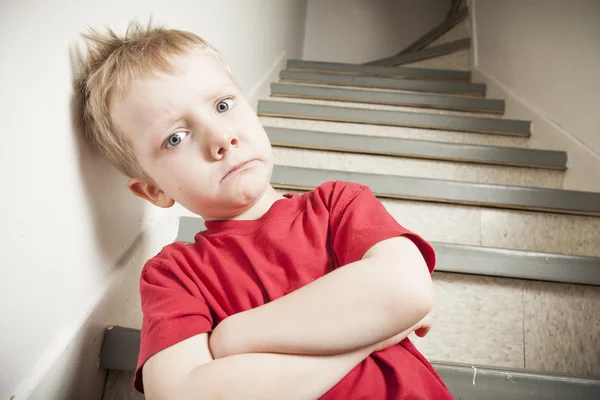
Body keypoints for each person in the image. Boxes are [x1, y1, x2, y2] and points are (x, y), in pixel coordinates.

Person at [76, 19, 454, 400]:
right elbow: (184, 393)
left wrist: (235, 336)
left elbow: (406, 289)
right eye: (175, 138)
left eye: (223, 105)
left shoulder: (339, 205)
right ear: (153, 191)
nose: (221, 138)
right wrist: (375, 334)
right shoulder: (173, 275)